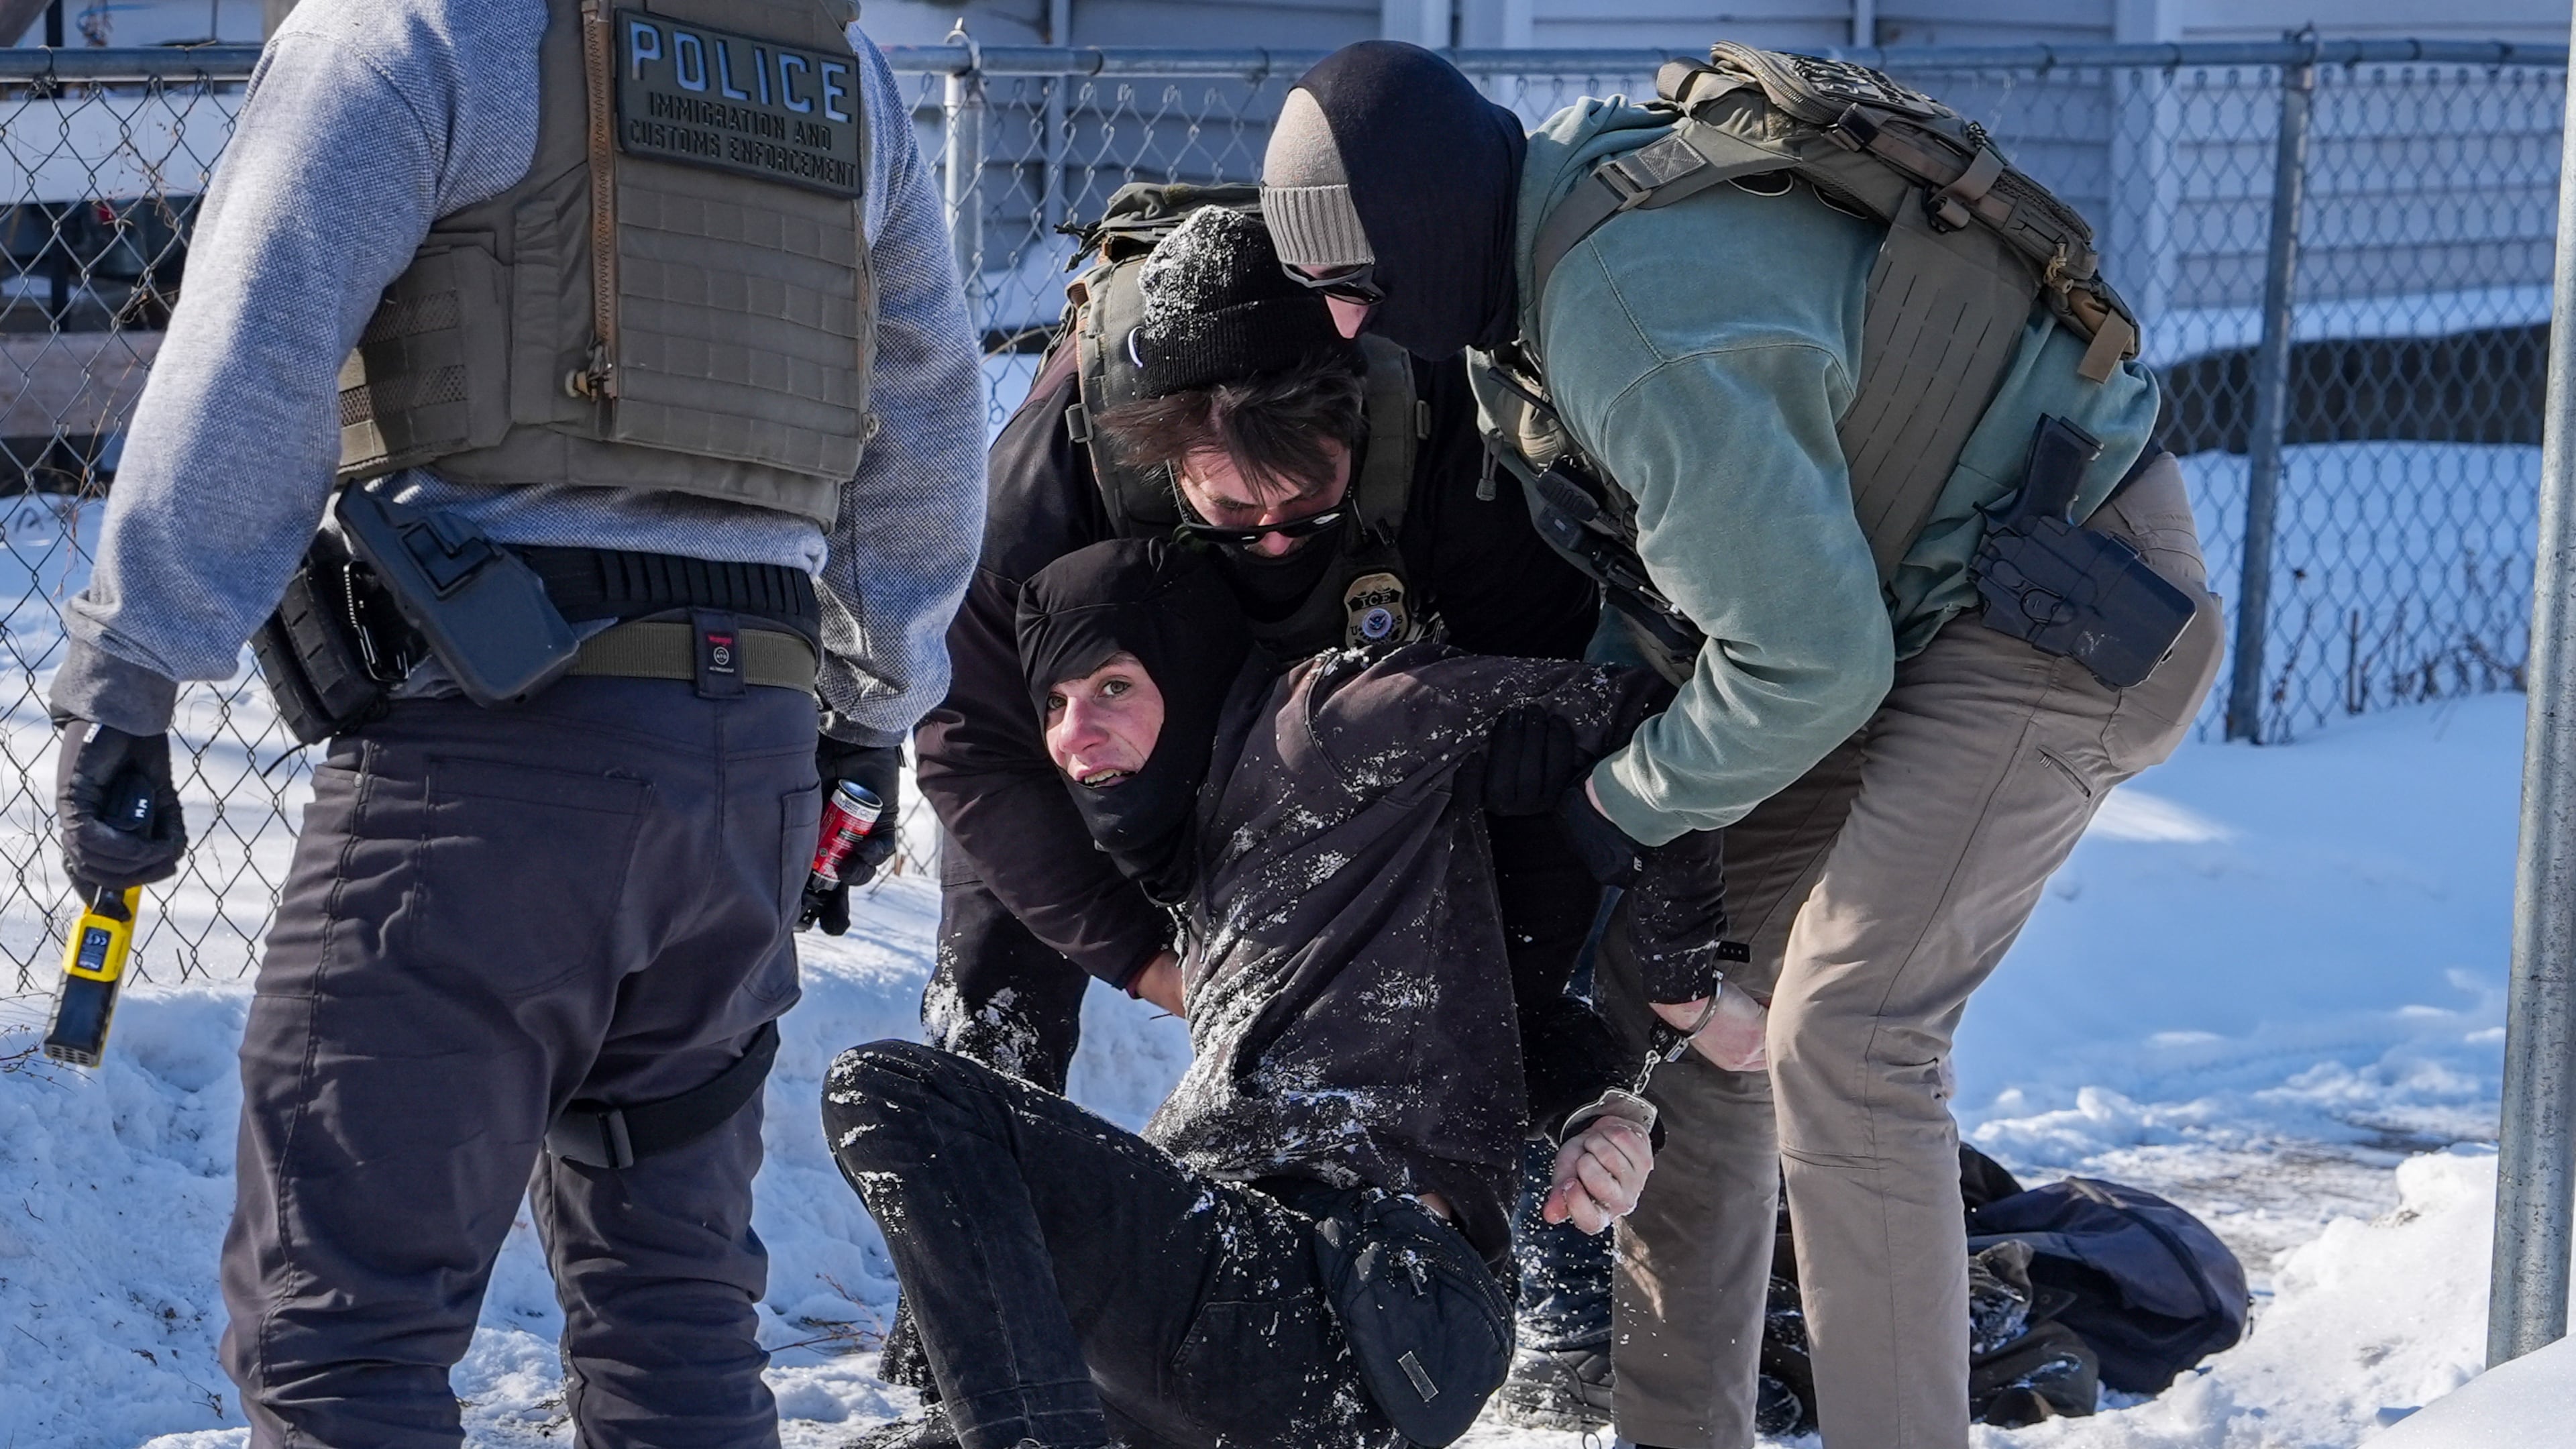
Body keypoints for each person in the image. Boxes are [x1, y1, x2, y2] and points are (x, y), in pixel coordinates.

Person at [1259, 41, 2227, 1449]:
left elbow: (1806, 663)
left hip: (2060, 609)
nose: (1347, 325)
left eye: (1355, 276)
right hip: (1896, 608)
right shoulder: (1540, 261)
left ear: (1419, 219)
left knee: (1850, 1033)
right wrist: (1600, 761)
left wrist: (1623, 803)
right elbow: (1692, 585)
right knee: (1697, 1015)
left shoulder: (1621, 312)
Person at [45, 1, 981, 1444]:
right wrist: (869, 711)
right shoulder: (832, 62)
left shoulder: (421, 26)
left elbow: (261, 339)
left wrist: (134, 668)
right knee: (676, 1314)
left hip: (489, 778)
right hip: (746, 768)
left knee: (340, 1336)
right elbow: (923, 406)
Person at [832, 538, 1753, 1449]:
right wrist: (1596, 1105)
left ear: (1185, 675)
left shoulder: (1325, 725)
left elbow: (1640, 716)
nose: (1077, 733)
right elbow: (1475, 1015)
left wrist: (1682, 984)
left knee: (890, 1094)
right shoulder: (1202, 863)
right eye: (1055, 706)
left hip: (1360, 1288)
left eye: (1113, 686)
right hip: (1238, 1323)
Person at [913, 199, 1599, 1088]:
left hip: (1362, 690)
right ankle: (986, 1143)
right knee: (997, 981)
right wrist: (1150, 966)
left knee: (1524, 879)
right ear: (1167, 464)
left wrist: (1521, 998)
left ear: (1356, 426)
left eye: (1306, 502)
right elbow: (976, 752)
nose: (1274, 538)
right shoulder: (1044, 488)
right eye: (1235, 512)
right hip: (1129, 697)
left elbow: (1549, 683)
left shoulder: (1445, 437)